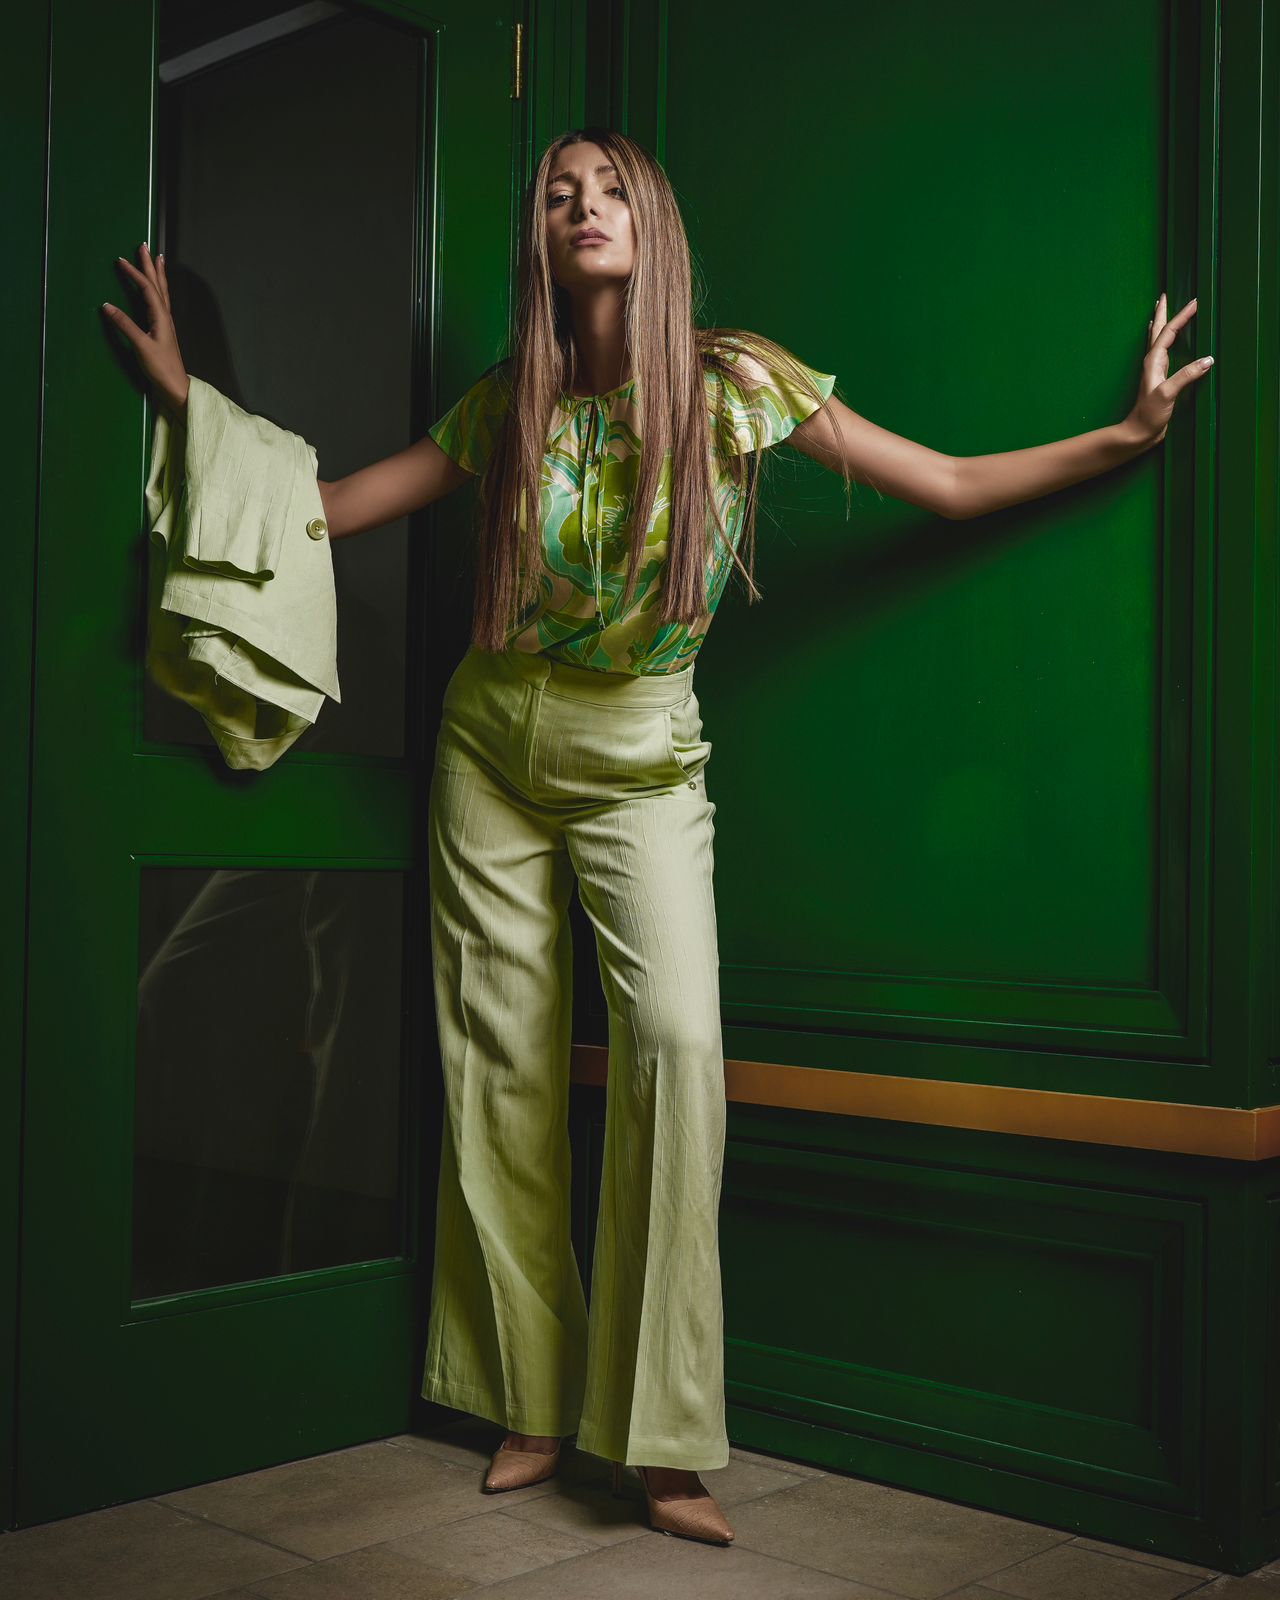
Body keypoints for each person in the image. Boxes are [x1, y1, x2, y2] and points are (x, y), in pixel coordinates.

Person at [103, 123, 1210, 1550]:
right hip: (488, 744)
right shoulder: (509, 401)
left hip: (640, 756)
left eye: (610, 188)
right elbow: (324, 513)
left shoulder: (738, 382)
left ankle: (661, 1439)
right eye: (560, 193)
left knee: (676, 1049)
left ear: (653, 221)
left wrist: (1124, 437)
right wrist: (190, 399)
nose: (584, 205)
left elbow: (938, 480)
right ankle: (527, 1399)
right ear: (541, 237)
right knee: (497, 1063)